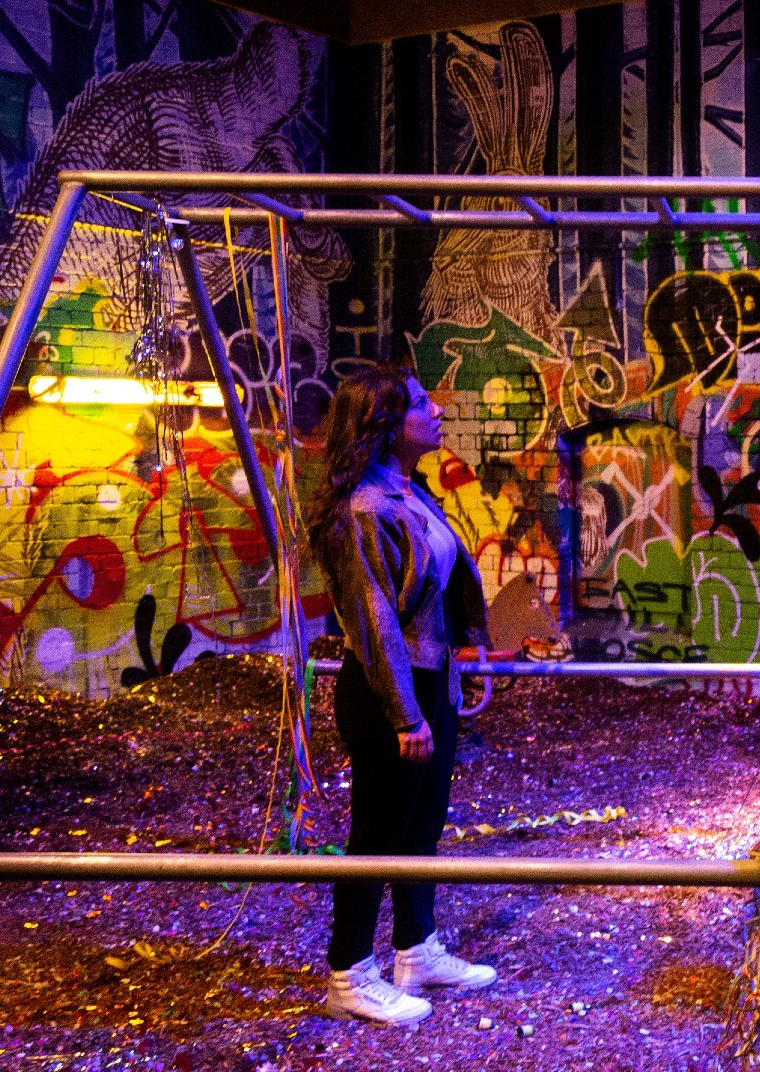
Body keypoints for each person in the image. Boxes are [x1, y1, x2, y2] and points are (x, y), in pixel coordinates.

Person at [306, 364, 498, 1025]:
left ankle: (416, 948)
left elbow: (447, 586)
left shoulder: (407, 494)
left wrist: (468, 651)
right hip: (390, 691)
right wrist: (406, 714)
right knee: (375, 836)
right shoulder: (363, 508)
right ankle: (349, 974)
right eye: (421, 402)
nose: (437, 409)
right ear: (386, 425)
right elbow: (374, 619)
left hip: (427, 681)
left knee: (421, 825)